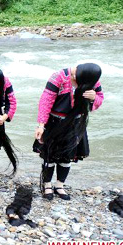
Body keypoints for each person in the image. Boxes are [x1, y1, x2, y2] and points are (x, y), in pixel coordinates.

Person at [34, 63, 103, 200]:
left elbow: (100, 99)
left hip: (75, 123)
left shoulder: (92, 81)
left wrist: (94, 97)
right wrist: (41, 125)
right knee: (49, 156)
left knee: (67, 156)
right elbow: (45, 101)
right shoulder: (58, 77)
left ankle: (60, 185)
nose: (72, 74)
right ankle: (47, 185)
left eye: (74, 75)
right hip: (54, 122)